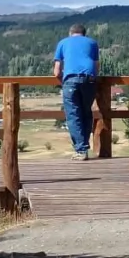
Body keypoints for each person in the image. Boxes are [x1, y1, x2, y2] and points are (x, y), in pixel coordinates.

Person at [53, 23, 99, 160]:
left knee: (73, 115)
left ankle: (81, 150)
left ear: (70, 33)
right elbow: (97, 66)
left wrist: (64, 81)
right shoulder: (92, 43)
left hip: (71, 80)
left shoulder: (63, 43)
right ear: (84, 33)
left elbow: (56, 71)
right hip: (89, 80)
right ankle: (84, 146)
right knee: (86, 113)